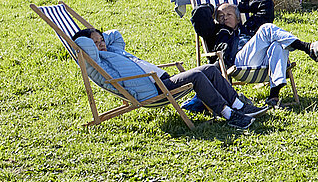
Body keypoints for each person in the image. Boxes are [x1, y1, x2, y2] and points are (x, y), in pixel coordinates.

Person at [71, 28, 262, 129]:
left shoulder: (113, 50)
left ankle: (238, 105)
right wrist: (87, 39)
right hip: (155, 89)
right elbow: (84, 46)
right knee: (196, 75)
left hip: (163, 81)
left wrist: (99, 36)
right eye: (95, 42)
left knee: (210, 69)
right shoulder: (97, 61)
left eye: (101, 40)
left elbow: (115, 36)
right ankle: (228, 115)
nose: (101, 44)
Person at [212, 3, 318, 107]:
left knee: (278, 45)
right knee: (266, 28)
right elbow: (199, 15)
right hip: (239, 62)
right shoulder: (219, 32)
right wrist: (212, 9)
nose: (225, 18)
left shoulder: (249, 26)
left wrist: (240, 6)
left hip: (259, 61)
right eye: (221, 16)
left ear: (238, 19)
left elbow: (266, 5)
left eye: (229, 14)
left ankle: (273, 96)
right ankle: (307, 48)